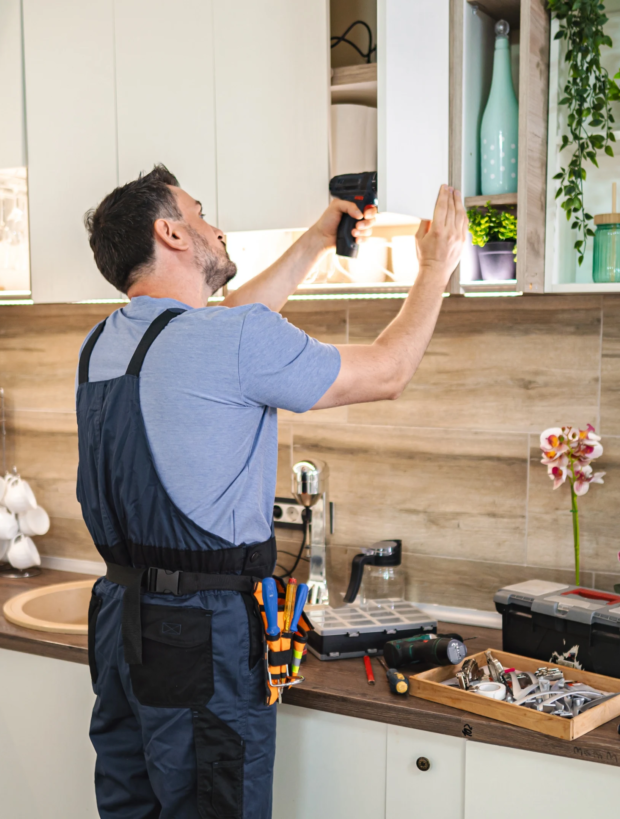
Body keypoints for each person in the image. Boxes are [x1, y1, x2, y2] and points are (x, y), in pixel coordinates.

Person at [77, 164, 467, 818]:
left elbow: (232, 322)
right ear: (171, 232)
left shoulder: (105, 341)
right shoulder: (230, 340)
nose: (217, 226)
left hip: (119, 623)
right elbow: (389, 370)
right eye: (200, 212)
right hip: (200, 639)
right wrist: (435, 267)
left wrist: (321, 236)